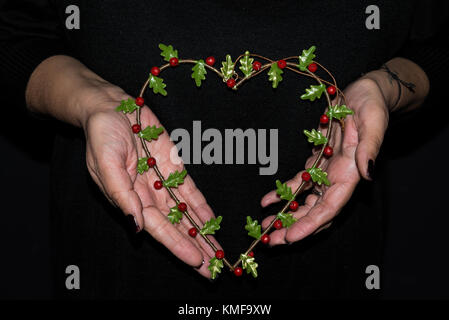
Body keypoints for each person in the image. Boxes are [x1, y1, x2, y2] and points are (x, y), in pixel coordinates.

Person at [0, 0, 447, 299]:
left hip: (332, 270)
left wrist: (384, 89)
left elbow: (437, 45)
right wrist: (90, 99)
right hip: (116, 266)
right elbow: (14, 35)